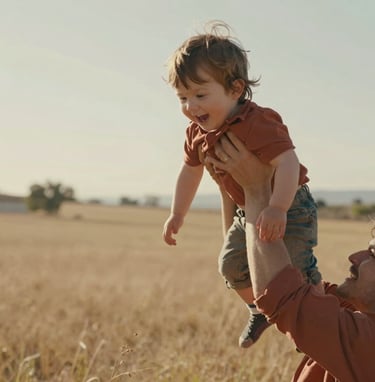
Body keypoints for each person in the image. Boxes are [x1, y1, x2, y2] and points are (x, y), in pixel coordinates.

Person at [162, 21, 322, 348]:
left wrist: (277, 207)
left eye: (200, 94)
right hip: (246, 209)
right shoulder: (196, 134)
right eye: (182, 98)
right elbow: (189, 172)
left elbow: (288, 162)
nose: (190, 107)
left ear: (235, 89)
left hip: (289, 207)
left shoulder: (257, 122)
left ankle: (319, 301)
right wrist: (177, 215)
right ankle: (257, 308)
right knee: (230, 265)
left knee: (292, 268)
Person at [206, 131, 375, 381]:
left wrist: (256, 190)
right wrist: (232, 190)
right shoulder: (357, 313)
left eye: (373, 254)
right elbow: (261, 267)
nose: (355, 257)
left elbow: (280, 294)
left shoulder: (367, 343)